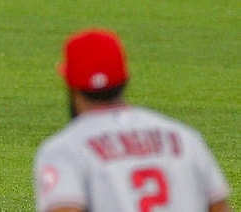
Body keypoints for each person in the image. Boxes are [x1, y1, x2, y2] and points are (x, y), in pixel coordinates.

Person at [33, 29, 232, 212]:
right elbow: (218, 206)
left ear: (70, 83)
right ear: (126, 77)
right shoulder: (184, 138)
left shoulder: (65, 149)